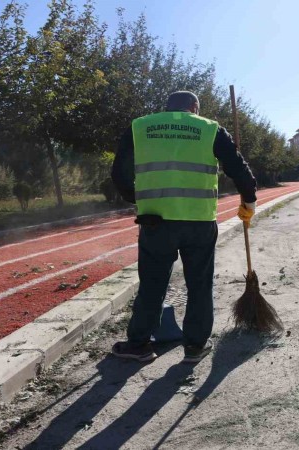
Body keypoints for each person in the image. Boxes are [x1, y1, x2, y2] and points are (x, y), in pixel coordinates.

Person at [110, 91, 257, 362]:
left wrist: (136, 197)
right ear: (195, 107)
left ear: (166, 107)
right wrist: (249, 201)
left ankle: (139, 344)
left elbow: (118, 172)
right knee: (199, 285)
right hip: (199, 222)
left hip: (155, 220)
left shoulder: (140, 126)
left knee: (152, 284)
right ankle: (195, 346)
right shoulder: (210, 128)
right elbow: (239, 168)